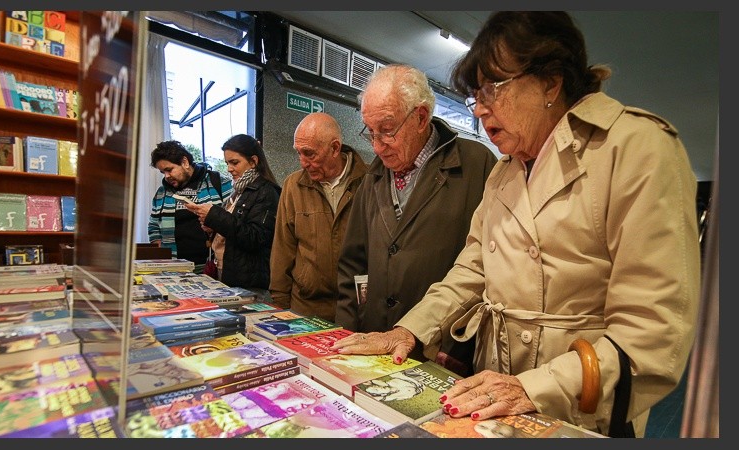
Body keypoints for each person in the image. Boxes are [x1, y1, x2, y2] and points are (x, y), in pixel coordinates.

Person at [332, 11, 701, 438]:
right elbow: (471, 271)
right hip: (493, 396)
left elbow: (653, 331)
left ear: (551, 82)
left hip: (579, 409)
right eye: (475, 96)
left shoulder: (637, 147)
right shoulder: (504, 171)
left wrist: (535, 386)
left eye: (493, 89)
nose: (480, 109)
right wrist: (409, 331)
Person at [334, 63, 498, 370]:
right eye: (370, 131)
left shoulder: (478, 165)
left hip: (443, 349)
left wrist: (456, 346)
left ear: (421, 117)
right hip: (376, 342)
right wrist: (346, 332)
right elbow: (353, 265)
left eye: (386, 130)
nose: (376, 146)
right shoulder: (372, 178)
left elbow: (485, 270)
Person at [269, 112, 369, 322]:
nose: (302, 162)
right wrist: (279, 303)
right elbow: (283, 248)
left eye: (309, 154)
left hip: (359, 309)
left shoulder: (370, 182)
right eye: (298, 153)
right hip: (306, 308)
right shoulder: (293, 186)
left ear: (335, 148)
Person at [186, 134, 280, 300]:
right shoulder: (237, 191)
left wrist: (214, 216)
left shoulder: (266, 192)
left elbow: (255, 237)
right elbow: (233, 229)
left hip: (248, 282)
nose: (229, 168)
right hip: (228, 272)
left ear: (253, 161)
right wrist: (212, 228)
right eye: (227, 163)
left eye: (234, 162)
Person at [148, 140, 231, 274]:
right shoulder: (162, 193)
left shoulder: (219, 183)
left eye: (169, 170)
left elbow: (234, 222)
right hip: (174, 270)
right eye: (162, 172)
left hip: (214, 267)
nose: (166, 176)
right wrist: (160, 254)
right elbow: (153, 225)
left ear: (185, 162)